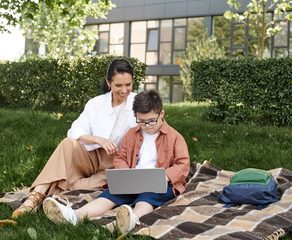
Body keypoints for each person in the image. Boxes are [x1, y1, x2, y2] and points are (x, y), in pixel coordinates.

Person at [42, 90, 190, 235]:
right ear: (136, 117)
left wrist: (165, 176)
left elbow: (183, 164)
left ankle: (131, 219)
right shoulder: (132, 134)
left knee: (147, 198)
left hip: (159, 183)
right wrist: (125, 174)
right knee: (110, 195)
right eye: (142, 121)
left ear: (161, 114)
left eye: (152, 121)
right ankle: (74, 215)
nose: (147, 126)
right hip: (132, 179)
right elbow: (120, 157)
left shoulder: (175, 137)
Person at [12, 58, 138, 218]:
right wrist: (99, 140)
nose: (124, 90)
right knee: (68, 144)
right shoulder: (96, 103)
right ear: (108, 82)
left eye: (128, 85)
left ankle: (48, 190)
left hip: (115, 165)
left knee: (84, 184)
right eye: (118, 85)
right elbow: (74, 130)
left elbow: (153, 130)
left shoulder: (139, 103)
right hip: (91, 157)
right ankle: (32, 199)